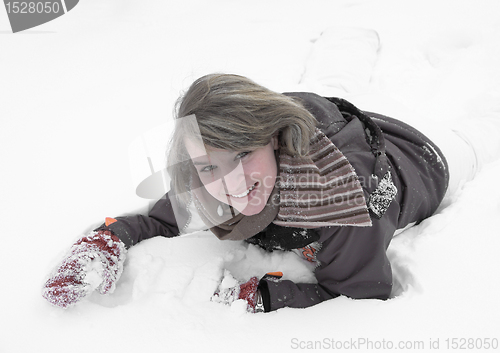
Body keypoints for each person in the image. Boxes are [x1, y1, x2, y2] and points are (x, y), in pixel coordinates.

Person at [42, 73, 499, 313]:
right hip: (350, 130)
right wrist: (105, 241)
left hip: (431, 160)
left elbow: (362, 294)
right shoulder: (210, 169)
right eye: (208, 166)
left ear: (275, 139)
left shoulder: (340, 200)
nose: (233, 186)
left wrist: (265, 297)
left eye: (243, 154)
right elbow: (164, 217)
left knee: (484, 138)